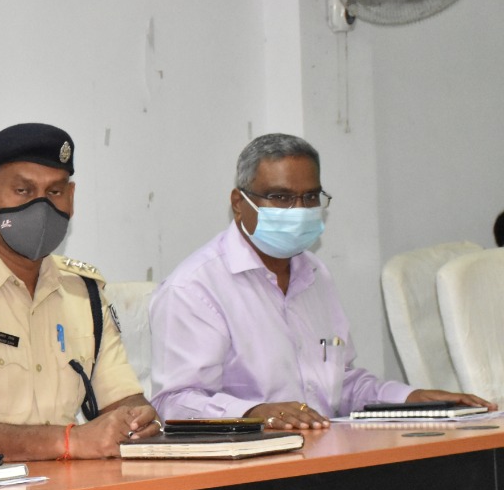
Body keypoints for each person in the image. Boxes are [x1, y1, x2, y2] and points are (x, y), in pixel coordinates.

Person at [150, 132, 494, 427]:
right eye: (281, 197)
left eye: (311, 197)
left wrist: (412, 398)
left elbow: (339, 386)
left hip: (321, 455)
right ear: (239, 203)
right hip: (246, 468)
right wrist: (254, 413)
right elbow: (174, 403)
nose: (299, 210)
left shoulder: (314, 273)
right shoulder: (195, 288)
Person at [0, 122, 159, 462]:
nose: (42, 208)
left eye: (55, 192)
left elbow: (123, 399)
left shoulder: (85, 295)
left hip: (76, 486)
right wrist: (68, 441)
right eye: (23, 191)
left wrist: (139, 419)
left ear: (71, 198)